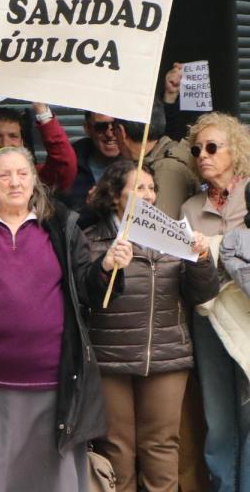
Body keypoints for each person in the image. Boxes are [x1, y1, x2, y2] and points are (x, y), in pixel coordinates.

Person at [0, 146, 133, 492]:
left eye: (22, 174)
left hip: (53, 385)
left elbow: (88, 291)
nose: (14, 182)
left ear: (35, 181)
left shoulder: (62, 226)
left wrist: (107, 267)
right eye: (4, 175)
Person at [85, 160, 218, 492]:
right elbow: (84, 294)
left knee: (161, 447)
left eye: (151, 188)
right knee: (116, 449)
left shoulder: (172, 235)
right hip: (109, 359)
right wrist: (105, 266)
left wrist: (201, 258)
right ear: (115, 195)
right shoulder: (91, 240)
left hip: (165, 356)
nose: (147, 195)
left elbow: (201, 294)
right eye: (138, 187)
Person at [180, 112, 250, 492]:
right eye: (196, 150)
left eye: (211, 147)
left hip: (246, 313)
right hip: (208, 318)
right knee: (219, 418)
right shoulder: (190, 209)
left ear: (234, 149)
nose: (202, 155)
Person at [109, 104, 197, 221]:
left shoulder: (167, 170)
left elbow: (155, 226)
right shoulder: (155, 161)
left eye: (113, 130)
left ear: (121, 132)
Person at [0, 103, 77, 193]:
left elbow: (63, 164)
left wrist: (43, 112)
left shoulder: (37, 178)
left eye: (13, 136)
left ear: (22, 143)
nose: (5, 144)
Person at [64, 111, 121, 214]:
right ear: (88, 129)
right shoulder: (68, 164)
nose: (109, 134)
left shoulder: (137, 164)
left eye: (115, 126)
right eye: (101, 126)